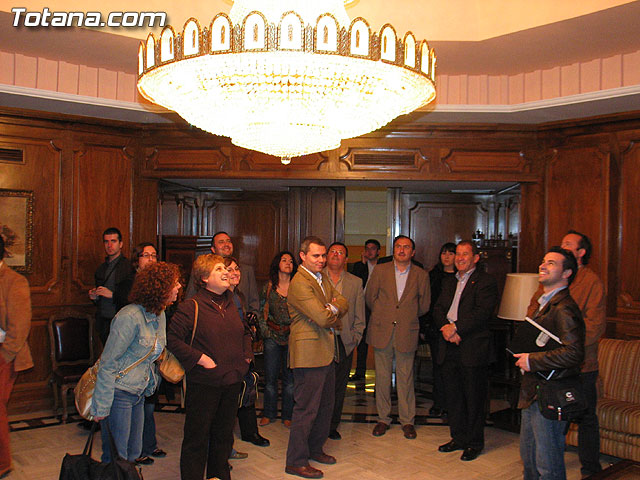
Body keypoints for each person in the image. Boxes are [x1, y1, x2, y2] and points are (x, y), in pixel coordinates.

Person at [526, 230, 606, 477]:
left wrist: (560, 346)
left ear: (581, 252)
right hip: (547, 368)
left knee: (584, 418)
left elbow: (593, 326)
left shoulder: (590, 282)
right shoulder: (547, 286)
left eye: (568, 245)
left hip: (580, 365)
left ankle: (591, 469)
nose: (563, 246)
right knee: (541, 437)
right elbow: (532, 316)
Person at [168, 254, 253, 480]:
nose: (226, 272)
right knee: (197, 439)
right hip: (204, 383)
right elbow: (173, 339)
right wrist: (200, 358)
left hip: (232, 381)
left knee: (223, 437)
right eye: (219, 269)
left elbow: (245, 331)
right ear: (204, 278)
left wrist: (246, 356)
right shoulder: (191, 306)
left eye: (225, 268)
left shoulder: (232, 301)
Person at [92, 262, 181, 464]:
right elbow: (108, 362)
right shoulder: (129, 317)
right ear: (160, 288)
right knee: (117, 457)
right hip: (119, 392)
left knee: (134, 452)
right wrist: (102, 406)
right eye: (174, 283)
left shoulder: (160, 315)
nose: (178, 287)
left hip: (139, 392)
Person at [514, 247, 585, 480]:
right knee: (530, 459)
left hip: (551, 393)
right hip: (534, 391)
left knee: (548, 464)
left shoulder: (564, 308)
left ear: (566, 273)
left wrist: (532, 360)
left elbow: (574, 353)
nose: (543, 266)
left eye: (552, 263)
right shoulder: (545, 303)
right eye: (544, 261)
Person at [285, 236, 348, 479]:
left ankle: (314, 449)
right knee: (306, 409)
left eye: (323, 255)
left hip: (325, 351)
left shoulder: (320, 278)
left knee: (325, 406)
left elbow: (343, 301)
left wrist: (330, 308)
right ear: (302, 256)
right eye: (316, 256)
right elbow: (322, 318)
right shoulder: (300, 282)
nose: (321, 260)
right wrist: (329, 311)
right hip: (309, 354)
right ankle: (296, 461)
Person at [433, 240, 498, 461]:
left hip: (472, 347)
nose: (459, 258)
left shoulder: (486, 281)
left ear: (476, 258)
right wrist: (446, 328)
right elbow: (438, 308)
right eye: (457, 254)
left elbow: (482, 313)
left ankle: (474, 443)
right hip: (448, 344)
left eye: (465, 254)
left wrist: (456, 328)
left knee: (473, 398)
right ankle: (458, 437)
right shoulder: (449, 281)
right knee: (453, 397)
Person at [366, 235, 430, 440]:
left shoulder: (421, 275)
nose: (402, 250)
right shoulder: (380, 270)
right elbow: (370, 298)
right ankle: (383, 419)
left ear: (413, 252)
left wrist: (405, 316)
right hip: (382, 330)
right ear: (393, 250)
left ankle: (407, 421)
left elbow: (424, 305)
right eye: (398, 246)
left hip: (406, 331)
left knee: (406, 378)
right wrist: (385, 314)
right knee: (382, 378)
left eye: (406, 247)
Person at [125, 243, 168, 466]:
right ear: (137, 259)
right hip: (135, 356)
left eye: (154, 255)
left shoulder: (161, 289)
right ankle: (135, 451)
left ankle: (148, 444)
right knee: (136, 406)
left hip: (153, 355)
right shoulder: (129, 285)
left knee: (149, 404)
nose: (150, 259)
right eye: (146, 255)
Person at [223, 257, 269, 452]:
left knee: (247, 391)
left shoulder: (238, 295)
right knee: (228, 402)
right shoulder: (220, 297)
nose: (235, 273)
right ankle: (225, 448)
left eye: (237, 269)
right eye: (230, 269)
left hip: (243, 352)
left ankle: (250, 432)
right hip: (228, 357)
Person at [323, 242, 365, 440]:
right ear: (326, 256)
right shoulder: (316, 278)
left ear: (346, 259)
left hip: (344, 340)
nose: (336, 255)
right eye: (332, 251)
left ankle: (332, 425)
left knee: (339, 386)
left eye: (340, 252)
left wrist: (356, 336)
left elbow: (360, 313)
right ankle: (318, 423)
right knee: (320, 385)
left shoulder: (355, 282)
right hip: (321, 338)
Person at [0, 236, 33, 478]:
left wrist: (5, 355)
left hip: (4, 353)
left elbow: (20, 326)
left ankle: (2, 463)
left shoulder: (14, 281)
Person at [259, 251, 297, 427]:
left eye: (291, 261)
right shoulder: (268, 288)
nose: (288, 263)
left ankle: (288, 416)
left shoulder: (298, 287)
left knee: (290, 381)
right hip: (272, 337)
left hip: (292, 337)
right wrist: (266, 332)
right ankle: (268, 413)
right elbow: (261, 311)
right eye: (284, 260)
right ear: (277, 264)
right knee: (270, 379)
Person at [184, 232, 259, 315]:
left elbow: (254, 302)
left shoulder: (246, 270)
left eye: (228, 241)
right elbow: (190, 297)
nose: (226, 244)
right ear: (213, 249)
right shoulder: (203, 269)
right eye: (221, 242)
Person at [423, 242, 456, 417]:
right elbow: (427, 304)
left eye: (451, 253)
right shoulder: (433, 276)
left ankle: (453, 404)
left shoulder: (460, 277)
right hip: (436, 328)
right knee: (438, 366)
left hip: (457, 329)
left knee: (454, 368)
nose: (447, 257)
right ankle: (439, 402)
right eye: (444, 253)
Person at [89, 227, 133, 345]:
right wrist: (95, 297)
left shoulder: (128, 267)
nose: (109, 245)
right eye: (106, 242)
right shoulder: (101, 268)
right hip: (103, 321)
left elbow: (131, 297)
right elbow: (100, 299)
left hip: (121, 322)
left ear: (121, 244)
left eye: (113, 241)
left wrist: (113, 295)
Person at [349, 239, 380, 382]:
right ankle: (360, 371)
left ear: (378, 251)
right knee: (362, 340)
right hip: (363, 306)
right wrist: (362, 264)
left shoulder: (383, 266)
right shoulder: (359, 266)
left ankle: (381, 374)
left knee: (379, 341)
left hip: (379, 307)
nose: (369, 251)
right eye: (367, 248)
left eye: (373, 248)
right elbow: (356, 283)